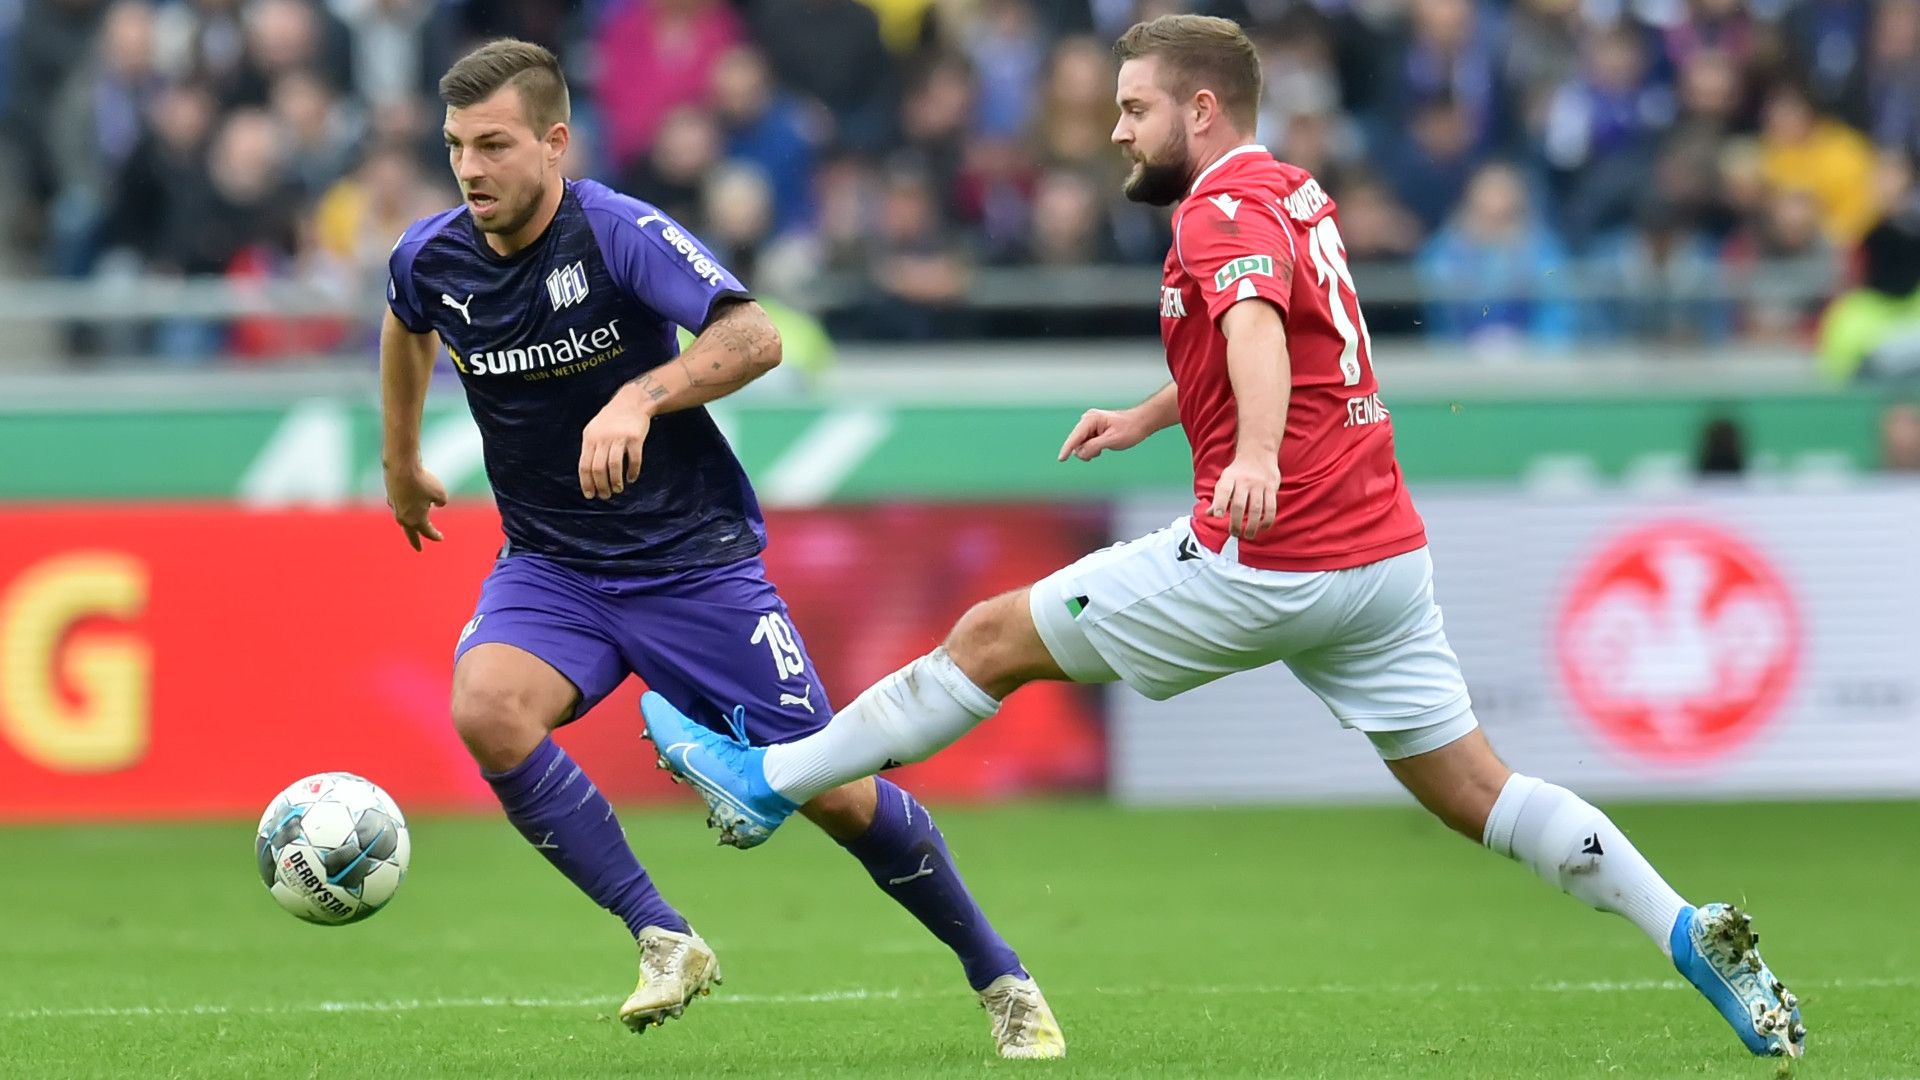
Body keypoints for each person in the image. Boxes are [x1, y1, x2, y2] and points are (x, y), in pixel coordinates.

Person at [643, 14, 1807, 1061]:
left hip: (1272, 555)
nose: (1117, 131)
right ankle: (1683, 928)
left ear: (1200, 109)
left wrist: (1251, 458)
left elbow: (1251, 327)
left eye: (1134, 108)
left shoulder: (1217, 209)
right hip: (1380, 563)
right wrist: (1153, 415)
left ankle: (768, 783)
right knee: (1477, 791)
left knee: (991, 638)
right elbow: (1287, 340)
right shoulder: (1293, 191)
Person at [379, 39, 1064, 1057]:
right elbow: (407, 323)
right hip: (554, 565)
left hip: (691, 565)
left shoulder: (616, 233)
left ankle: (1000, 975)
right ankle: (663, 936)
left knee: (834, 791)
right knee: (487, 709)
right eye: (454, 147)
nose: (469, 169)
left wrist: (639, 395)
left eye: (494, 145)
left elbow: (755, 337)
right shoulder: (429, 255)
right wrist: (400, 458)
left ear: (555, 142)